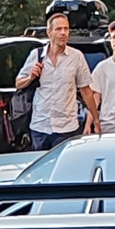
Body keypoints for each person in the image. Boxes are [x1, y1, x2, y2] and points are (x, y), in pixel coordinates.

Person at [15, 9, 95, 144]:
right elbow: (18, 83)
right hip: (40, 127)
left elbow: (86, 91)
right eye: (58, 29)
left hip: (67, 128)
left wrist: (96, 120)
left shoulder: (76, 57)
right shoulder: (36, 55)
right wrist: (30, 77)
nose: (63, 33)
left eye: (66, 29)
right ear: (49, 32)